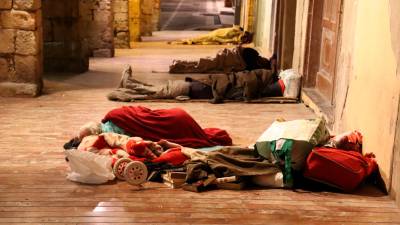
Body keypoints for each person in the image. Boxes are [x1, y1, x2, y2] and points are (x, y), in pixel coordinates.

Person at [67, 105, 233, 149]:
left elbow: (136, 140)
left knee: (201, 139)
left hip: (174, 124)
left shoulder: (109, 136)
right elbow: (142, 111)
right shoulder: (113, 114)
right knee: (200, 135)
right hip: (173, 115)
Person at [108, 65, 284, 104]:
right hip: (193, 87)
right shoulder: (248, 81)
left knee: (159, 90)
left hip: (192, 86)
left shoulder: (247, 80)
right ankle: (129, 85)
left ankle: (129, 84)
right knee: (159, 91)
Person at [169, 45, 275, 74]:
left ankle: (179, 65)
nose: (264, 60)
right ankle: (178, 64)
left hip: (227, 60)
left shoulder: (255, 62)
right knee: (204, 64)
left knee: (204, 65)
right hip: (227, 57)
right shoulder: (254, 55)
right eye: (265, 60)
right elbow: (242, 55)